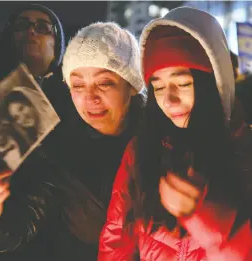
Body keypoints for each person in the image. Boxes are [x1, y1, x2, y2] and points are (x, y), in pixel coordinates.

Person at [0, 22, 146, 261]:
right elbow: (21, 229)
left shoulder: (162, 144)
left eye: (104, 83)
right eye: (78, 85)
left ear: (132, 85)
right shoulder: (56, 147)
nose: (89, 97)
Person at [98, 7, 252, 261]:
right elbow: (116, 239)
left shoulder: (245, 151)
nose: (168, 100)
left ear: (213, 83)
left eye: (182, 84)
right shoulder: (142, 149)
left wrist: (206, 218)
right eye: (157, 88)